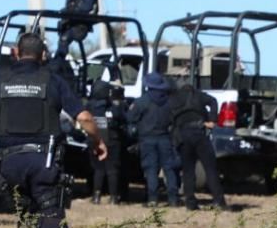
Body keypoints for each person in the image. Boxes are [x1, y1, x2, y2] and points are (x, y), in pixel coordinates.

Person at [0, 31, 106, 228]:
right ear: (43, 55)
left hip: (9, 166)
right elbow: (84, 117)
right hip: (45, 163)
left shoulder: (0, 80)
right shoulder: (53, 81)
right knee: (50, 217)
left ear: (15, 53)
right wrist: (98, 142)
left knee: (27, 212)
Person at [169, 81, 227, 210]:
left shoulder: (173, 99)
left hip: (183, 135)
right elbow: (213, 101)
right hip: (200, 133)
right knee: (210, 169)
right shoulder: (199, 95)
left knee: (188, 171)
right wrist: (212, 120)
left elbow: (169, 118)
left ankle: (190, 202)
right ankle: (219, 201)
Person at [128, 72, 180, 207]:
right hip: (165, 138)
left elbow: (131, 119)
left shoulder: (141, 101)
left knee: (151, 169)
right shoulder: (170, 102)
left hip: (147, 139)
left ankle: (153, 199)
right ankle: (173, 199)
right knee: (169, 169)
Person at [86, 77, 128, 205]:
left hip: (95, 139)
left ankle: (96, 195)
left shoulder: (89, 106)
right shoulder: (114, 107)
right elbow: (123, 119)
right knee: (112, 169)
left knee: (98, 169)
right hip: (113, 139)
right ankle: (114, 197)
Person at [56, 0, 99, 67]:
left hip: (80, 25)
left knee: (64, 39)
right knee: (62, 40)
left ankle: (58, 65)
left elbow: (86, 7)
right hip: (72, 22)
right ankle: (58, 63)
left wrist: (68, 12)